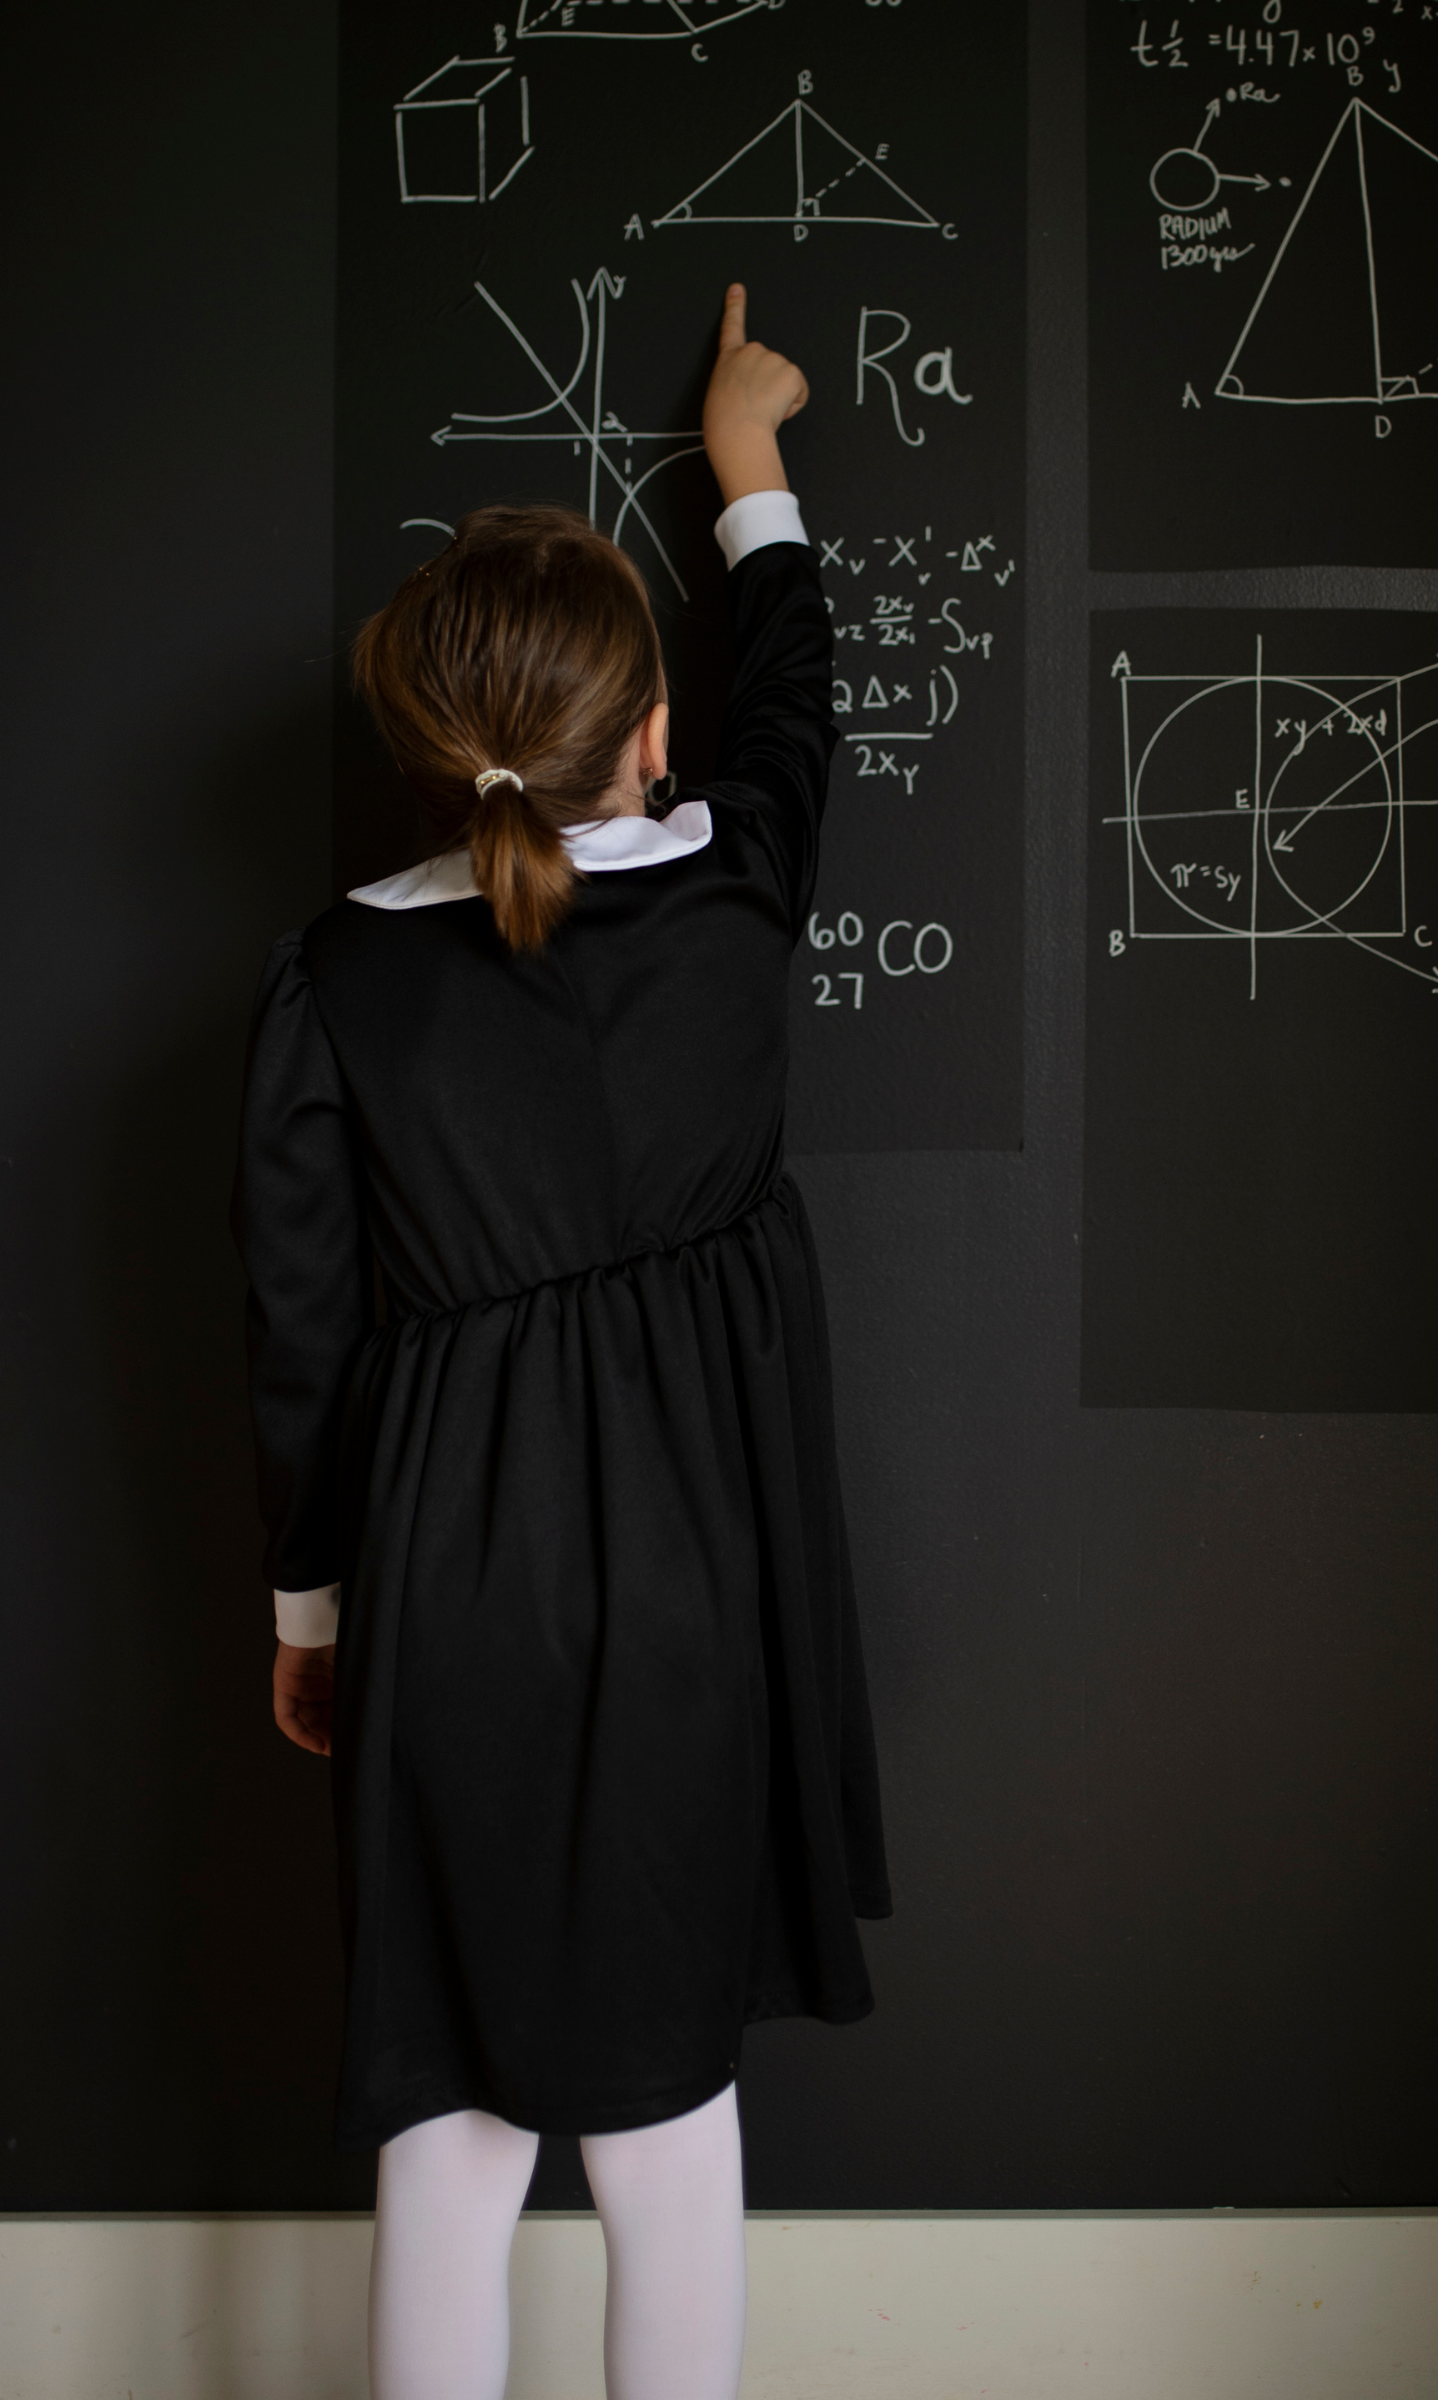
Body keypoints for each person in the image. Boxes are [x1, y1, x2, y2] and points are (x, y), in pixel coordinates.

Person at [232, 284, 891, 2400]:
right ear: (654, 734)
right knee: (666, 2124)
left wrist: (314, 1616)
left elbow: (301, 1335)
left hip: (450, 1591)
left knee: (446, 2124)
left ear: (435, 752)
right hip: (702, 1587)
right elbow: (798, 701)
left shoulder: (337, 978)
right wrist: (747, 465)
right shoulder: (738, 891)